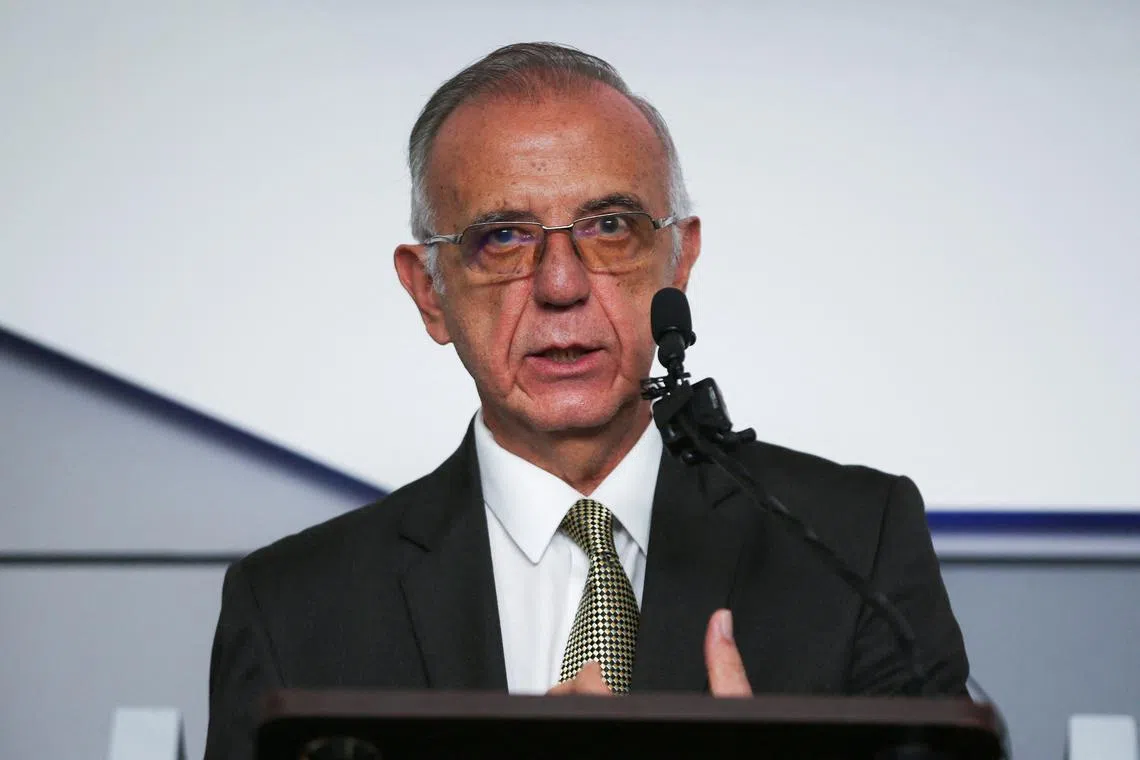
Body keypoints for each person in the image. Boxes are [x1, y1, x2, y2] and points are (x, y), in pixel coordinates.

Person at [204, 42, 969, 760]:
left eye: (610, 227)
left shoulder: (852, 549)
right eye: (502, 238)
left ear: (680, 259)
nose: (561, 285)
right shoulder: (292, 610)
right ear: (428, 292)